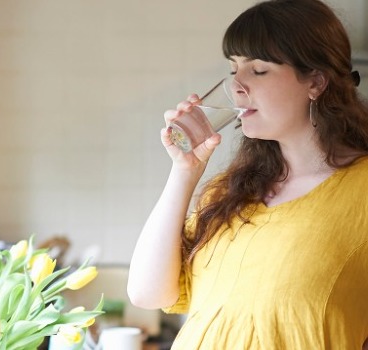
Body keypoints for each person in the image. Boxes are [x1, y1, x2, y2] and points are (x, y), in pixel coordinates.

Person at [127, 0, 368, 348]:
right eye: (233, 68)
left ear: (315, 82)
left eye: (258, 70)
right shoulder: (229, 193)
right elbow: (147, 294)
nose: (235, 85)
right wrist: (184, 171)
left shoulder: (360, 191)